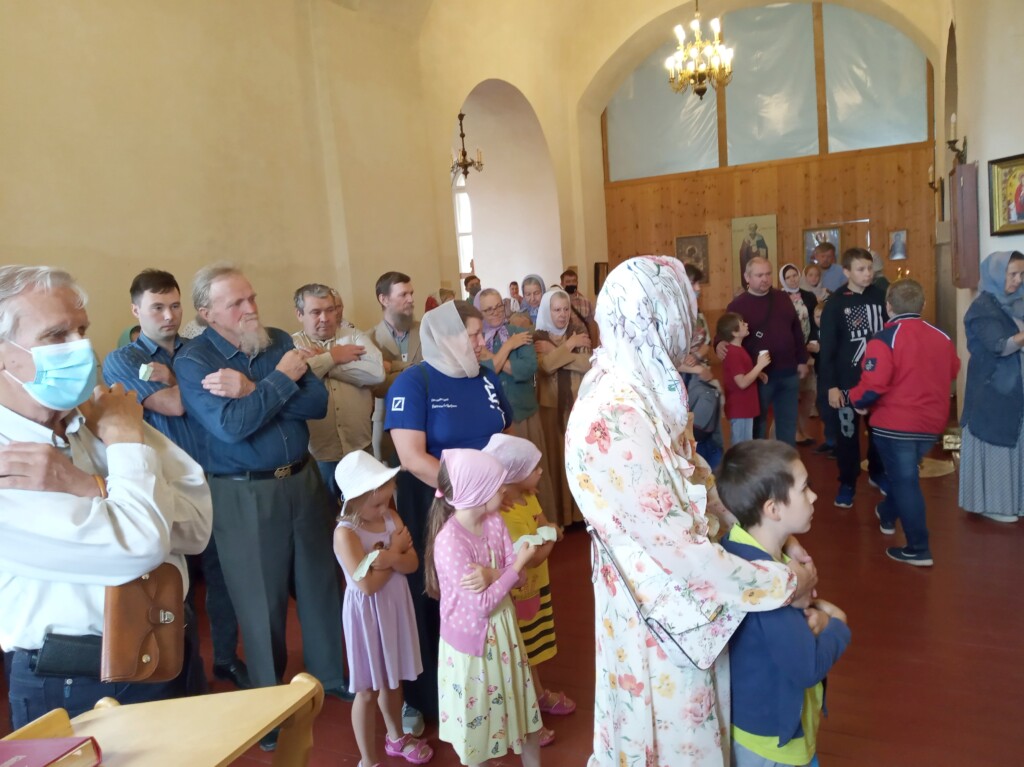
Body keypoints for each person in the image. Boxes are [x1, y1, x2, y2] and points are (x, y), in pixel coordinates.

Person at [565, 256, 817, 767]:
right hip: (656, 611)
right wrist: (785, 583)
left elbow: (700, 483)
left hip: (682, 600)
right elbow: (681, 551)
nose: (694, 321)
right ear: (659, 315)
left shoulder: (645, 383)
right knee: (669, 731)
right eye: (685, 307)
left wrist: (774, 539)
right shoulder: (614, 413)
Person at [0, 265, 212, 728]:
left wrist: (91, 484)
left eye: (81, 330)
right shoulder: (8, 461)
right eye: (56, 336)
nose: (80, 348)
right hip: (78, 681)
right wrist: (126, 449)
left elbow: (197, 525)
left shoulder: (102, 419)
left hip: (171, 648)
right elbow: (141, 546)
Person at [173, 264, 346, 750]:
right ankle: (271, 705)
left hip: (301, 479)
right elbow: (232, 427)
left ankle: (331, 676)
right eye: (236, 303)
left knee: (319, 583)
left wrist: (255, 388)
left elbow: (315, 404)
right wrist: (281, 380)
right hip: (244, 492)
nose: (250, 308)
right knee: (260, 601)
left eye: (251, 297)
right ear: (207, 313)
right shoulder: (195, 361)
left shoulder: (275, 340)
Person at [102, 269, 247, 692]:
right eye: (157, 308)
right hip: (160, 489)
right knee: (169, 583)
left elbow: (239, 397)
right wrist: (188, 385)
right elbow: (174, 406)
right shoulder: (123, 360)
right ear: (136, 311)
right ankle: (174, 667)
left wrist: (179, 379)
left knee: (223, 578)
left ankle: (225, 659)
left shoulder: (202, 348)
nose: (168, 316)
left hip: (217, 477)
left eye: (175, 306)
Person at [385, 300, 514, 721]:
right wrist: (468, 493)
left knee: (489, 586)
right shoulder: (413, 383)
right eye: (471, 335)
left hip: (487, 505)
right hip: (436, 503)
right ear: (443, 338)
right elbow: (412, 458)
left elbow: (504, 431)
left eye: (480, 334)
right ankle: (427, 697)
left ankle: (490, 685)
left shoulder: (485, 378)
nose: (481, 342)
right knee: (436, 594)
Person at [718, 440, 852, 767]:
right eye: (804, 489)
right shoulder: (772, 589)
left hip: (750, 721)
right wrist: (837, 625)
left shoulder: (735, 546)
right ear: (773, 509)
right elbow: (807, 668)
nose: (814, 496)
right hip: (773, 742)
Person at [423, 449, 542, 767]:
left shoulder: (494, 522)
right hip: (473, 650)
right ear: (476, 492)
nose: (504, 490)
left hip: (505, 636)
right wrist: (514, 567)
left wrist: (494, 574)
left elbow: (520, 578)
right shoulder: (450, 542)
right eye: (496, 485)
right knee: (478, 731)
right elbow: (483, 605)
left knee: (526, 718)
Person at [332, 450, 434, 766]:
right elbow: (366, 585)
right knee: (366, 690)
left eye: (386, 500)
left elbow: (412, 563)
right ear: (353, 501)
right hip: (367, 615)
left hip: (394, 607)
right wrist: (395, 553)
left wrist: (388, 557)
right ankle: (367, 759)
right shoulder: (346, 534)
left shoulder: (391, 518)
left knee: (393, 679)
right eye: (375, 504)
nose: (383, 509)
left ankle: (396, 736)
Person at [850, 279, 960, 566]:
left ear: (888, 307)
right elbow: (953, 369)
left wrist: (857, 400)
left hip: (895, 423)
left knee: (905, 482)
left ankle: (918, 548)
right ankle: (887, 514)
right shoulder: (941, 336)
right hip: (931, 423)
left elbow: (874, 383)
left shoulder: (884, 338)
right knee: (905, 477)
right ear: (922, 305)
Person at [484, 434, 573, 748]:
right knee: (519, 656)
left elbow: (544, 527)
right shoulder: (502, 515)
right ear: (513, 475)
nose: (540, 472)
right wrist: (551, 536)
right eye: (533, 468)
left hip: (535, 589)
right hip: (516, 595)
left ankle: (537, 696)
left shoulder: (529, 497)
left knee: (530, 652)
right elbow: (532, 555)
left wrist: (548, 534)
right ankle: (526, 719)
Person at [292, 283, 384, 500]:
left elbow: (376, 373)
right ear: (299, 314)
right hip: (318, 455)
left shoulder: (355, 337)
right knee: (324, 515)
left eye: (330, 310)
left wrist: (325, 362)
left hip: (360, 449)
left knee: (367, 512)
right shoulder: (292, 344)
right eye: (316, 312)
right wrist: (334, 356)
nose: (325, 318)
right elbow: (296, 377)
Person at [476, 288, 558, 518]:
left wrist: (495, 358)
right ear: (480, 313)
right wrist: (508, 347)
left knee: (533, 470)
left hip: (524, 412)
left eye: (498, 307)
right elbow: (484, 374)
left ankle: (545, 521)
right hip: (494, 419)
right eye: (488, 309)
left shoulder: (520, 333)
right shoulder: (477, 341)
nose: (495, 312)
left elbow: (527, 370)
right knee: (504, 474)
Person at [817, 248, 888, 509]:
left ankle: (877, 472)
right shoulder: (836, 303)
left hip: (877, 381)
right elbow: (828, 349)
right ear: (846, 271)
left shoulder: (881, 297)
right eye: (860, 269)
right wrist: (831, 386)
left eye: (869, 268)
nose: (867, 274)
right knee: (847, 435)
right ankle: (847, 482)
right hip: (847, 382)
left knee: (879, 431)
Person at [959, 251, 1024, 524]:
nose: (1018, 280)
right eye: (1012, 274)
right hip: (991, 389)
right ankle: (992, 504)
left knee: (1015, 444)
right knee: (995, 444)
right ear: (996, 274)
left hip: (1013, 389)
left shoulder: (1017, 302)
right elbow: (1001, 345)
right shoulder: (983, 308)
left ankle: (1015, 501)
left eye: (1022, 274)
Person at [721, 257, 809, 446]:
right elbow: (724, 335)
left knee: (788, 424)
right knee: (757, 425)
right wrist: (719, 344)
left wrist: (802, 360)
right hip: (758, 376)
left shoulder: (782, 297)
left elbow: (796, 329)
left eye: (768, 274)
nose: (765, 279)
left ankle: (786, 462)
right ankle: (759, 462)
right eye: (759, 275)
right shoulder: (737, 305)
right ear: (747, 277)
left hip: (788, 371)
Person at [534, 288, 592, 526]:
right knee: (556, 461)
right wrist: (569, 346)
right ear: (547, 311)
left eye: (566, 309)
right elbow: (546, 367)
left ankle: (578, 514)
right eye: (557, 310)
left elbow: (588, 364)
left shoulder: (579, 332)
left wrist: (558, 353)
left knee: (577, 459)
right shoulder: (539, 337)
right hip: (550, 408)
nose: (562, 314)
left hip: (576, 406)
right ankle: (560, 515)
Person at [370, 272, 423, 464]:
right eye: (403, 294)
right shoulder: (370, 340)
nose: (411, 299)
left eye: (411, 293)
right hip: (388, 425)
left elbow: (433, 372)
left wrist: (393, 367)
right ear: (384, 299)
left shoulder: (426, 330)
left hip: (427, 419)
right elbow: (378, 386)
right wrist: (417, 369)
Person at [780, 264, 820, 446]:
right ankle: (793, 431)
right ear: (783, 280)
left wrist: (813, 341)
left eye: (794, 275)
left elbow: (815, 321)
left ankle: (802, 428)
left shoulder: (809, 296)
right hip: (789, 352)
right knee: (792, 394)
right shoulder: (779, 298)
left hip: (808, 349)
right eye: (788, 277)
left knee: (809, 392)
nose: (792, 280)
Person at [717, 312, 770, 445]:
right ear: (734, 333)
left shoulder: (738, 349)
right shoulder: (733, 353)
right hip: (740, 408)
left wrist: (758, 373)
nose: (746, 324)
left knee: (745, 444)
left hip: (744, 406)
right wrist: (759, 366)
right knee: (742, 446)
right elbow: (741, 383)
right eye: (742, 323)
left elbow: (742, 372)